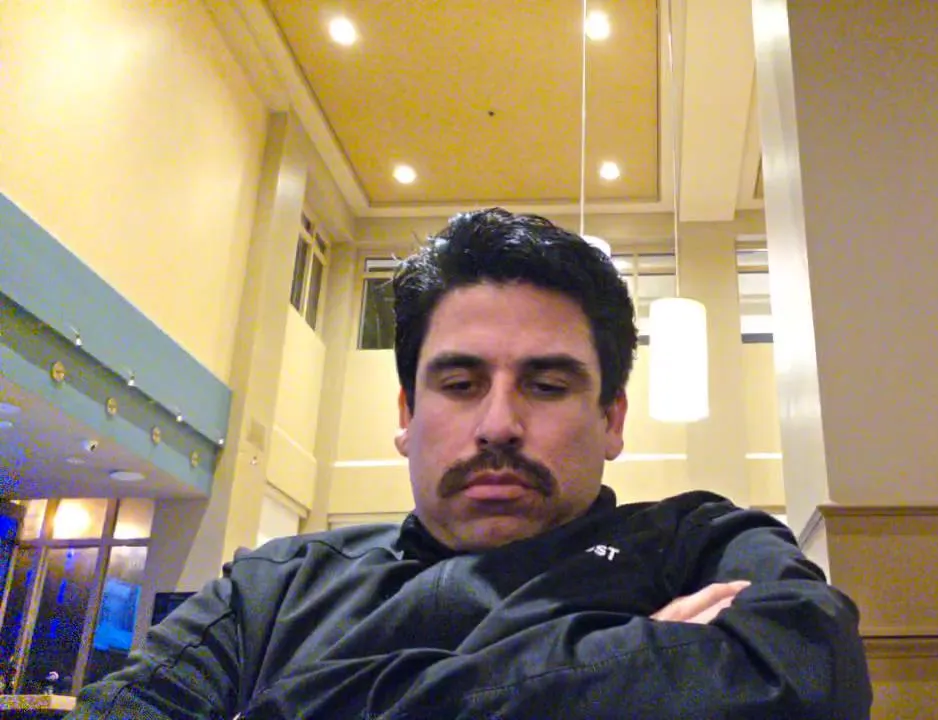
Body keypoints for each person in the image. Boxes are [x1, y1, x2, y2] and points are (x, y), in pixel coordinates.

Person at [70, 209, 873, 719]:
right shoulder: (272, 590)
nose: (498, 425)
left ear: (612, 419)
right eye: (459, 384)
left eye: (547, 385)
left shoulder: (697, 542)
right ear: (406, 416)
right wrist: (629, 664)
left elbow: (811, 674)